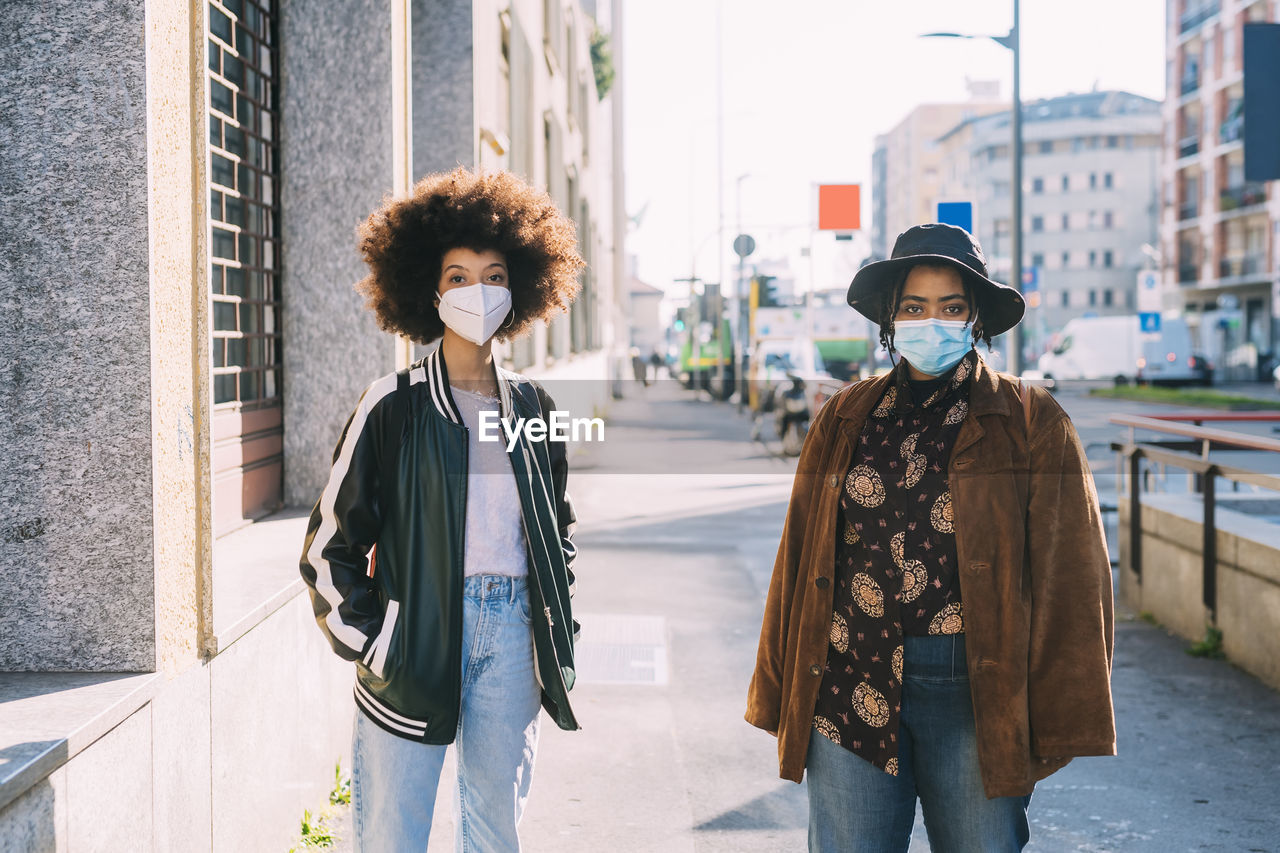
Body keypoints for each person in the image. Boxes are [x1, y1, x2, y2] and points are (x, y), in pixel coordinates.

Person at [745, 223, 1115, 852]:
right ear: (891, 318)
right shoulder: (845, 414)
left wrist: (1060, 711)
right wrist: (780, 685)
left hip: (974, 686)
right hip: (848, 673)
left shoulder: (1029, 419)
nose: (931, 321)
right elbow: (801, 551)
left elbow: (1074, 576)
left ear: (976, 319)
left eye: (951, 307)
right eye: (914, 307)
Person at [299, 167, 584, 852]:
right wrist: (377, 641)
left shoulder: (536, 409)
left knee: (494, 836)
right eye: (457, 276)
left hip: (512, 637)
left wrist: (555, 625)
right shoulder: (390, 405)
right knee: (392, 836)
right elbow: (327, 548)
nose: (475, 291)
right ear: (430, 290)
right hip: (415, 639)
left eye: (491, 274)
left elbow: (557, 533)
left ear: (517, 288)